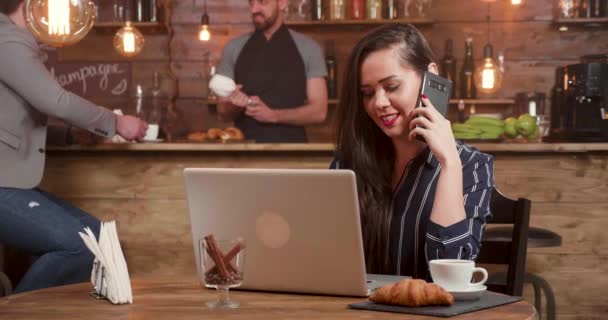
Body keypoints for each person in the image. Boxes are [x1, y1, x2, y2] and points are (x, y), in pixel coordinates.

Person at [0, 0, 148, 293]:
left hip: (11, 181)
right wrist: (116, 123)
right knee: (81, 246)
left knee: (99, 238)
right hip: (3, 182)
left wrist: (70, 135)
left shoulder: (16, 41)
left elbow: (13, 124)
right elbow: (55, 100)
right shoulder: (7, 38)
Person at [331, 24, 494, 279]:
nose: (379, 103)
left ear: (430, 77)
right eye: (367, 93)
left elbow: (451, 278)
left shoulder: (472, 165)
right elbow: (326, 257)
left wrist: (449, 164)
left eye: (392, 86)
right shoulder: (348, 161)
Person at [216, 0, 328, 143]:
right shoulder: (233, 48)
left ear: (282, 3)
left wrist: (274, 115)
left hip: (293, 153)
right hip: (243, 155)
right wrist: (235, 105)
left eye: (262, 2)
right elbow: (222, 113)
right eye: (251, 3)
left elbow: (319, 112)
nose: (254, 9)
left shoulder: (309, 49)